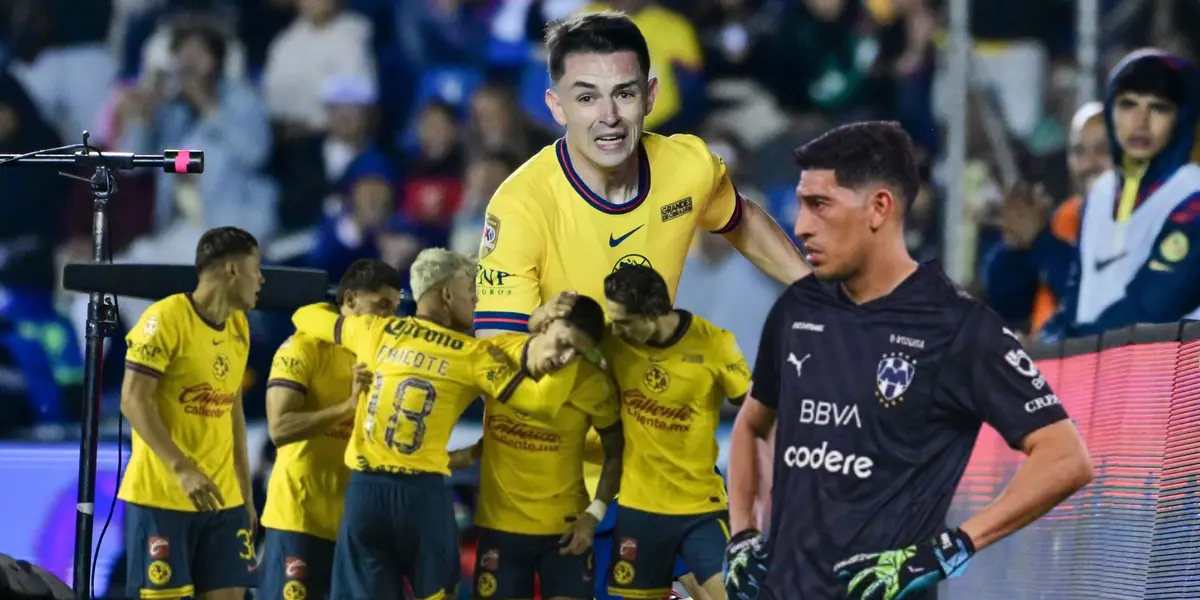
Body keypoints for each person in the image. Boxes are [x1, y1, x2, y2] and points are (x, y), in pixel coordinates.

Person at [723, 122, 1094, 600]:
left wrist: (951, 548)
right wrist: (743, 534)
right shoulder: (799, 311)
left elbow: (1066, 458)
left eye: (819, 205)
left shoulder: (958, 328)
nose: (800, 226)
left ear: (879, 208)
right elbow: (753, 426)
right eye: (801, 204)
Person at [473, 10, 807, 340]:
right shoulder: (519, 205)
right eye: (587, 97)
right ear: (557, 106)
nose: (609, 116)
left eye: (625, 94)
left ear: (650, 97)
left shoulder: (688, 164)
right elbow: (501, 347)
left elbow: (741, 218)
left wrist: (813, 290)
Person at [288, 248, 578, 600]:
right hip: (421, 499)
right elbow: (541, 403)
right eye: (470, 290)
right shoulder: (472, 355)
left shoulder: (375, 331)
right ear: (446, 293)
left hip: (365, 493)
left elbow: (305, 315)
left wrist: (343, 308)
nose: (476, 299)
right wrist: (569, 355)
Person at [119, 226, 264, 600]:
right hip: (163, 497)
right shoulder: (165, 319)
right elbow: (133, 400)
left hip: (223, 502)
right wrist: (182, 468)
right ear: (232, 270)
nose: (261, 279)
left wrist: (245, 496)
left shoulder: (239, 325)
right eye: (256, 268)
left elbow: (233, 413)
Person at [452, 295, 624, 600]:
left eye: (578, 352)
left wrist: (593, 516)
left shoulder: (592, 385)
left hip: (566, 531)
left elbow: (616, 451)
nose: (565, 357)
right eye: (562, 342)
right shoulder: (495, 355)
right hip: (502, 527)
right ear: (546, 324)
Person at [599, 264, 751, 600]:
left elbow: (756, 411)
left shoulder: (714, 344)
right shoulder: (612, 345)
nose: (617, 332)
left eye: (624, 322)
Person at [258, 259, 403, 600]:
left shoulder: (382, 358)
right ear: (350, 300)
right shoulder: (304, 347)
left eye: (394, 309)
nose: (389, 319)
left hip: (354, 525)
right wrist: (346, 408)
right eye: (381, 306)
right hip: (300, 517)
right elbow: (279, 427)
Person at [1040, 50, 1200, 338]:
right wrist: (1042, 343)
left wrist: (1068, 342)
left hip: (1175, 378)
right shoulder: (1100, 196)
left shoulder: (1192, 197)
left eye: (1159, 108)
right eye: (1128, 105)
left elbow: (1151, 309)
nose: (1140, 121)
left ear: (1182, 119)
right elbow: (1075, 305)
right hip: (1098, 372)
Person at [984, 101, 1110, 333]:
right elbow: (1008, 307)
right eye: (1078, 151)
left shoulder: (1143, 218)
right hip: (1048, 363)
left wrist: (1040, 240)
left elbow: (1096, 304)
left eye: (1103, 151)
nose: (1088, 164)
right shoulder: (1065, 218)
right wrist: (1016, 248)